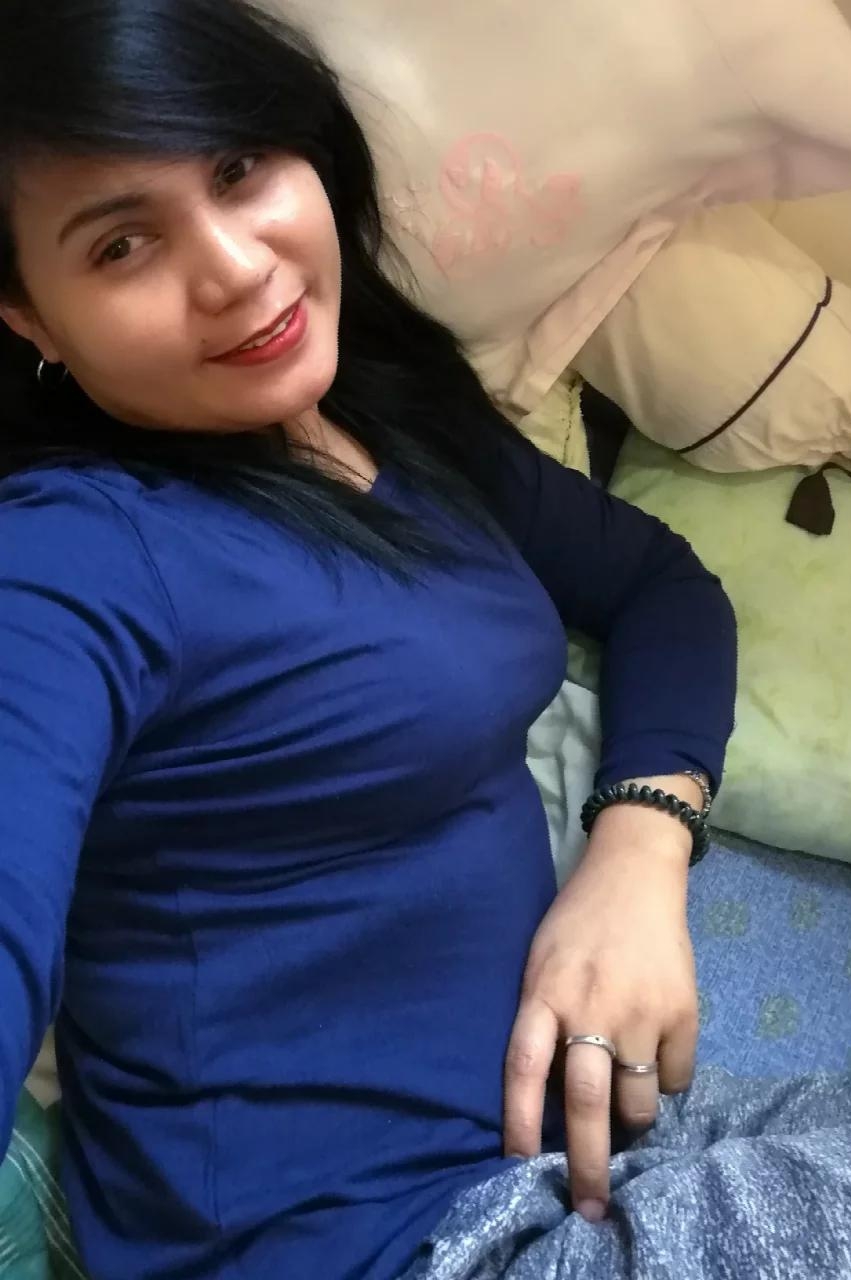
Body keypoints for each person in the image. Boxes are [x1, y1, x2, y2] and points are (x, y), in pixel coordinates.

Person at [0, 1, 736, 1276]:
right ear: (31, 318)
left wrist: (639, 844)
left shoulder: (389, 409)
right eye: (122, 243)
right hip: (373, 1243)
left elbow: (662, 585)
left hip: (605, 1169)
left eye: (239, 167)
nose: (236, 266)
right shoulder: (72, 551)